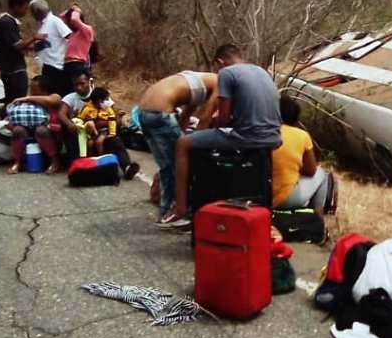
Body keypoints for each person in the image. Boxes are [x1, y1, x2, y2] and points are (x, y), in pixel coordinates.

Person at [160, 44, 282, 228]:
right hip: (274, 138)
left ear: (220, 62)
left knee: (183, 143)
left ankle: (181, 207)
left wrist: (212, 125)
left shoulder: (227, 73)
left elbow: (223, 118)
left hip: (247, 137)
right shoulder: (261, 71)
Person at [138, 69, 219, 222]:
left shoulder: (197, 81)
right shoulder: (220, 82)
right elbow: (205, 119)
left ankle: (165, 209)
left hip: (144, 111)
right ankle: (173, 212)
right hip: (160, 112)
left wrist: (180, 144)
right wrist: (194, 150)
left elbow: (186, 116)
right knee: (181, 166)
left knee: (168, 165)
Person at [45, 72, 140, 179]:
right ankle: (79, 167)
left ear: (90, 82)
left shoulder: (100, 95)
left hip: (101, 134)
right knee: (70, 136)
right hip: (80, 134)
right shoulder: (70, 98)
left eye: (82, 83)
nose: (79, 87)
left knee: (115, 140)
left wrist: (110, 120)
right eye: (76, 85)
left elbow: (115, 118)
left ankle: (126, 167)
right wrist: (70, 124)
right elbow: (61, 114)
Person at [271, 94, 331, 214]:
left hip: (258, 197)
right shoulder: (302, 135)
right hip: (286, 198)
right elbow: (311, 171)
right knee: (322, 175)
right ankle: (316, 220)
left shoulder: (260, 131)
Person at [5, 76, 61, 175]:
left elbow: (52, 100)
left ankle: (55, 161)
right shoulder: (27, 100)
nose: (31, 91)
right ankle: (18, 162)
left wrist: (28, 98)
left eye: (35, 89)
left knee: (41, 130)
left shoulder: (54, 96)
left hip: (49, 130)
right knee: (18, 130)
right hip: (28, 128)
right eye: (31, 88)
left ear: (44, 90)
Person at [0, 0, 42, 104]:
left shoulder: (11, 22)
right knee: (16, 100)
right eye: (25, 8)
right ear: (16, 6)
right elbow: (17, 45)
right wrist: (34, 38)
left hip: (12, 67)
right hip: (12, 70)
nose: (26, 11)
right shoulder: (6, 22)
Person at [29, 0, 72, 96]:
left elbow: (70, 36)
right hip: (47, 66)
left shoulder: (55, 21)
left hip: (56, 66)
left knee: (58, 96)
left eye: (32, 13)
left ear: (37, 12)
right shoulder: (43, 25)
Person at [60, 4, 94, 84]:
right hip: (67, 64)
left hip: (77, 64)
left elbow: (75, 19)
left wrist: (76, 10)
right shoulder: (72, 34)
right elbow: (61, 17)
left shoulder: (86, 30)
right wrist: (70, 9)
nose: (70, 24)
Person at [78, 87, 118, 155]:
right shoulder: (87, 108)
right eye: (105, 100)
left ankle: (101, 158)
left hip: (104, 130)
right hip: (92, 132)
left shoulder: (107, 109)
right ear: (99, 100)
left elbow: (112, 120)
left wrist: (112, 133)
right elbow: (80, 118)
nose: (107, 102)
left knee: (99, 142)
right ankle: (91, 160)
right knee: (90, 144)